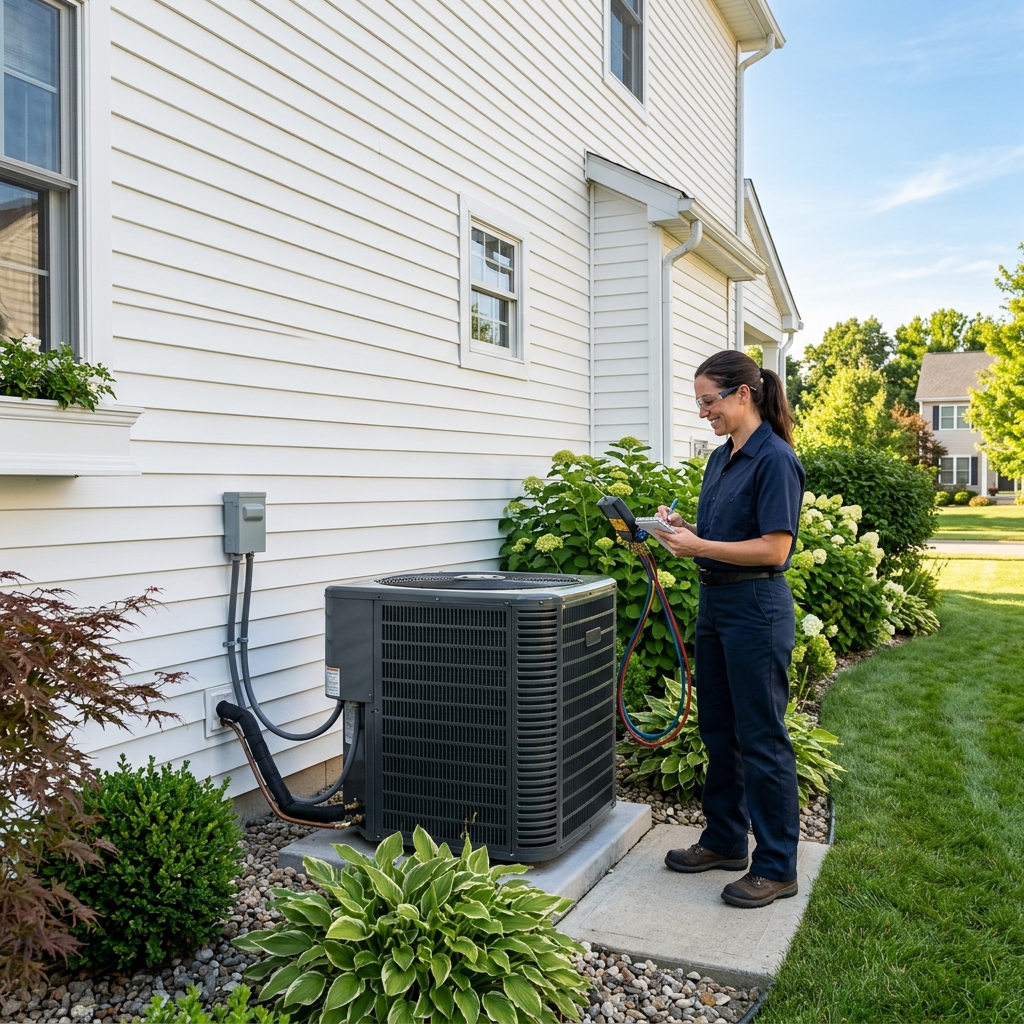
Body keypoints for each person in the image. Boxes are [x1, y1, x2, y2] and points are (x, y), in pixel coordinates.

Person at [655, 349, 805, 909]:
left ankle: (776, 866)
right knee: (718, 729)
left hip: (757, 608)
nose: (702, 413)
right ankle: (724, 840)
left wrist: (699, 546)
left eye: (708, 401)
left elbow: (774, 546)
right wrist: (681, 531)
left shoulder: (775, 460)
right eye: (698, 403)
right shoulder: (722, 459)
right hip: (717, 606)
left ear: (744, 394)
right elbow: (722, 534)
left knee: (761, 739)